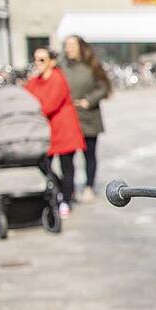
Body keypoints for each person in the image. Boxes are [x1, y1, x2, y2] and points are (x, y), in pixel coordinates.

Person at [25, 48, 85, 219]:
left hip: (64, 129)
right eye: (36, 60)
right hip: (46, 132)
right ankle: (59, 190)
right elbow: (26, 96)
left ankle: (66, 199)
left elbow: (50, 104)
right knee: (43, 164)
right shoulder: (34, 81)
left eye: (42, 60)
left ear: (51, 61)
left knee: (67, 166)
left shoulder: (58, 79)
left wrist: (33, 111)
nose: (38, 64)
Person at [62, 35, 112, 202]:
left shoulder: (91, 65)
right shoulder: (62, 66)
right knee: (67, 158)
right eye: (66, 45)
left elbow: (104, 87)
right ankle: (69, 189)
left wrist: (88, 101)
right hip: (68, 118)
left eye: (72, 45)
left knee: (89, 155)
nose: (68, 48)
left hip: (89, 117)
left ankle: (89, 186)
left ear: (80, 47)